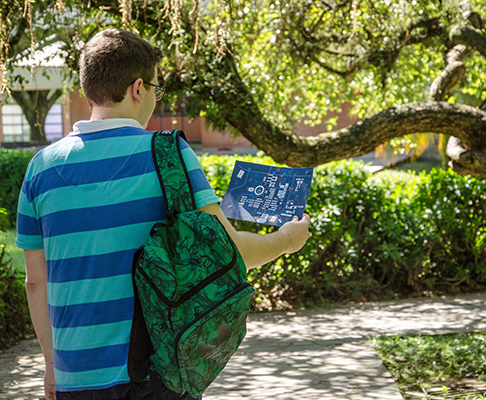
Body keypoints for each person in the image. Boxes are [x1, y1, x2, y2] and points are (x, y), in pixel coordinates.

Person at [15, 28, 311, 400]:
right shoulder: (167, 154)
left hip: (74, 378)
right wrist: (286, 240)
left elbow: (35, 283)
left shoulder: (39, 169)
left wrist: (51, 365)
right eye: (157, 88)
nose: (156, 97)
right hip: (154, 375)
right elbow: (231, 255)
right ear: (139, 88)